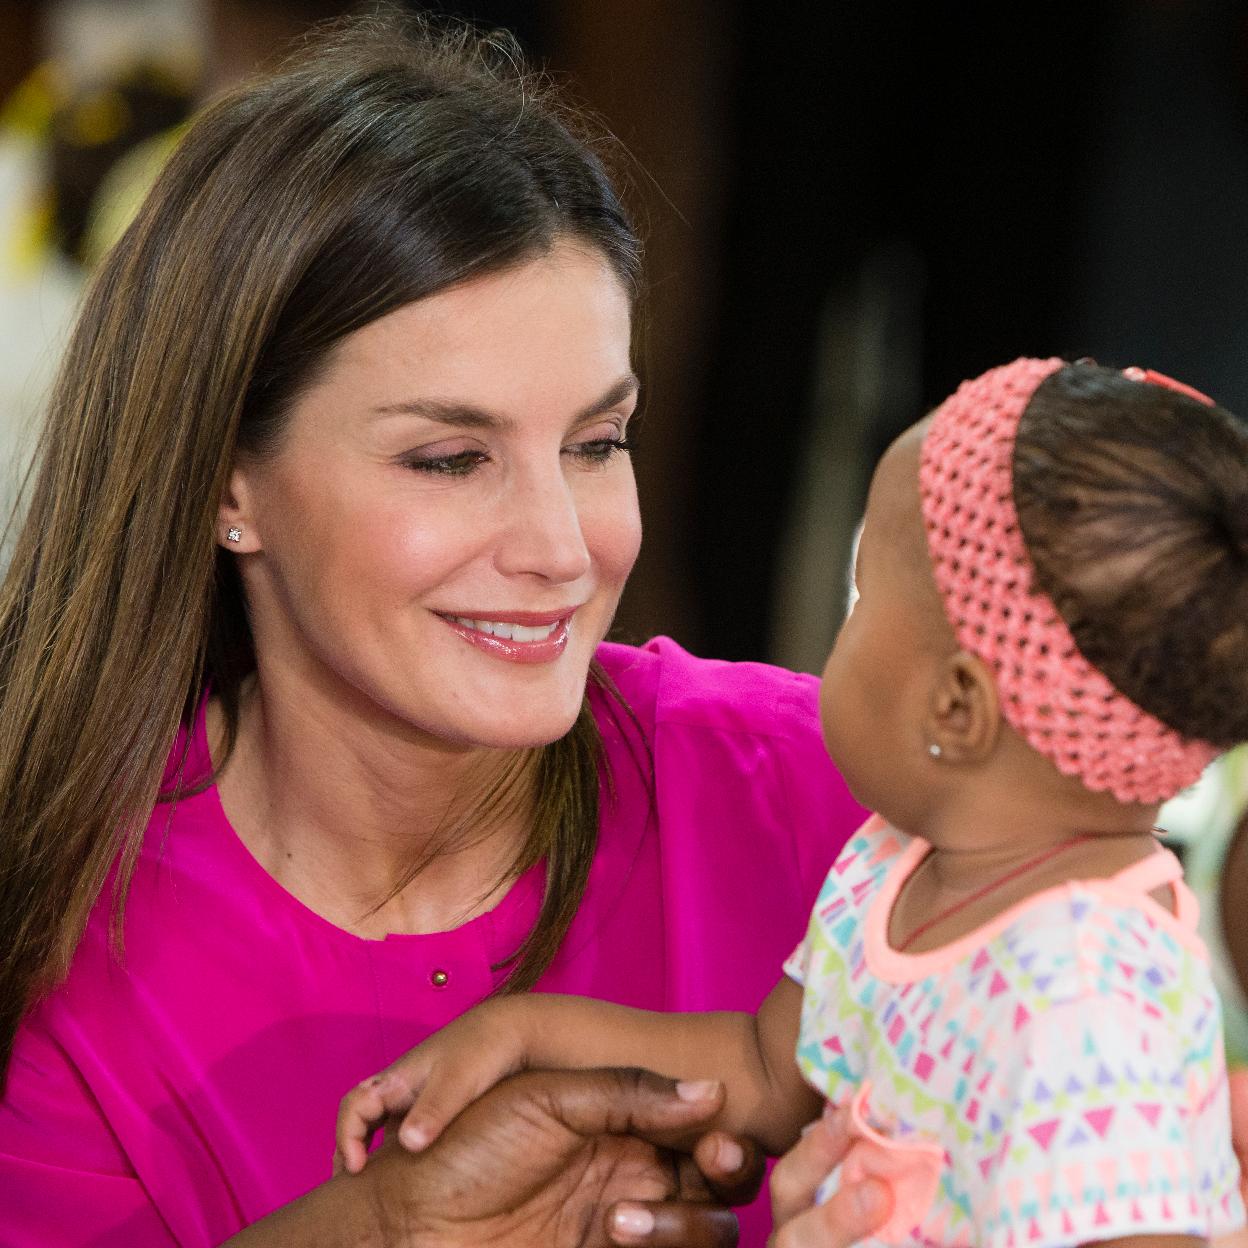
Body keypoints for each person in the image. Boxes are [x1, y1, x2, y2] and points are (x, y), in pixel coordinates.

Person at [0, 12, 878, 1247]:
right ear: (226, 482)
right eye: (451, 459)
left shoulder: (829, 792)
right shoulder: (59, 950)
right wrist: (391, 1227)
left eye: (597, 443)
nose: (561, 549)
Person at [337, 358, 1248, 1246]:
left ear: (955, 709)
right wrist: (521, 1032)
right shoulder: (896, 866)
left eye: (862, 596)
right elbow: (767, 1070)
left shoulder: (1089, 988)